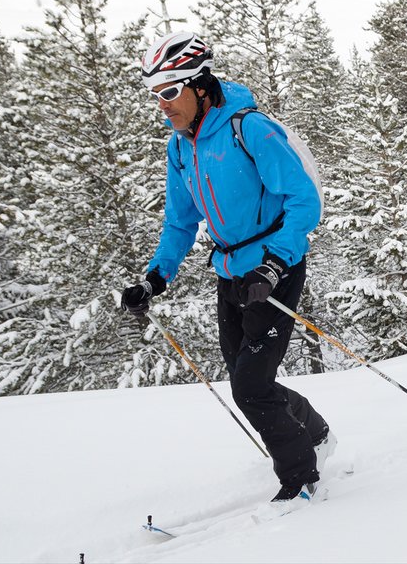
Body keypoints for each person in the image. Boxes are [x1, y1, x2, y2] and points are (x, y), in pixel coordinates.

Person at [119, 32, 333, 503]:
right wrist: (155, 278)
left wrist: (276, 263)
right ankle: (315, 431)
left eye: (171, 92)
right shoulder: (181, 147)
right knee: (245, 375)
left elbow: (304, 201)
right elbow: (180, 221)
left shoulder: (249, 128)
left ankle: (301, 477)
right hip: (231, 272)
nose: (164, 105)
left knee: (251, 385)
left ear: (200, 85)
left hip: (275, 267)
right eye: (157, 95)